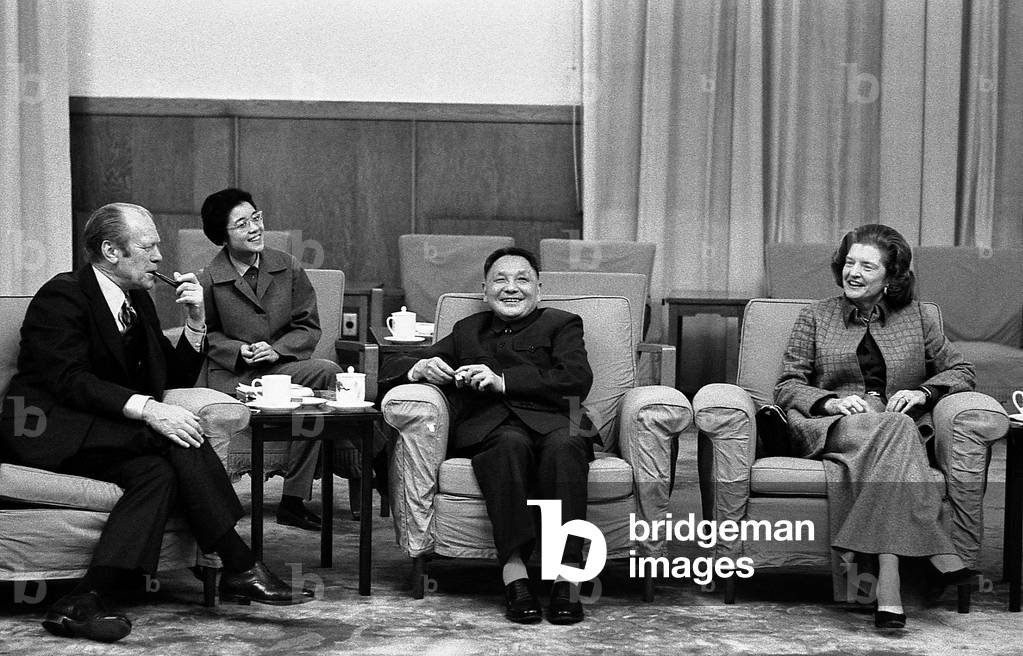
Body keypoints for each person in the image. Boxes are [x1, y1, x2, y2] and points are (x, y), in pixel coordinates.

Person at [0, 203, 312, 643]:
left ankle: (84, 599)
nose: (159, 257)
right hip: (47, 430)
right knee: (176, 439)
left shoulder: (138, 298)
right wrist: (149, 410)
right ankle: (239, 563)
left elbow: (169, 377)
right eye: (148, 247)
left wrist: (196, 324)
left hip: (107, 434)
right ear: (111, 251)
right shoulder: (64, 295)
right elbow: (69, 381)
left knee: (159, 473)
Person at [775, 224, 976, 630]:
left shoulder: (919, 317)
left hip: (892, 430)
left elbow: (962, 371)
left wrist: (922, 393)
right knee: (899, 429)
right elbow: (787, 384)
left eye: (868, 266)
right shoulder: (816, 315)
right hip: (834, 427)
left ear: (892, 275)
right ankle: (937, 548)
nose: (854, 272)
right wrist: (829, 401)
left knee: (897, 427)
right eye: (850, 263)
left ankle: (888, 586)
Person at [379, 246, 594, 625]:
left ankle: (568, 576)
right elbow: (397, 362)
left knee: (565, 447)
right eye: (500, 279)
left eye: (522, 279)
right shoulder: (468, 332)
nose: (511, 288)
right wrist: (419, 369)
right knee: (506, 446)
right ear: (484, 290)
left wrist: (503, 381)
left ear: (539, 290)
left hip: (560, 419)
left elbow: (577, 380)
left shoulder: (562, 323)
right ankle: (514, 574)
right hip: (495, 426)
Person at [198, 188, 343, 531]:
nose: (255, 228)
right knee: (314, 397)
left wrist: (277, 350)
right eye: (242, 224)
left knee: (328, 374)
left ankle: (293, 500)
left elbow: (308, 326)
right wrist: (237, 350)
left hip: (280, 368)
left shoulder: (287, 266)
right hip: (236, 376)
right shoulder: (208, 278)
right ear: (223, 235)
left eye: (257, 218)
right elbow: (203, 334)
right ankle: (378, 453)